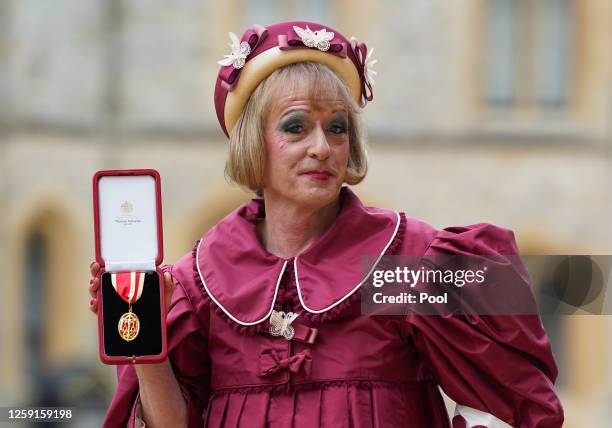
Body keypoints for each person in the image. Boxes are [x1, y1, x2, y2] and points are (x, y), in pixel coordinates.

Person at [88, 21, 564, 428]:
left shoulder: (407, 264)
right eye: (296, 127)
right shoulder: (197, 283)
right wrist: (143, 344)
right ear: (254, 141)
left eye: (337, 128)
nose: (322, 147)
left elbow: (519, 384)